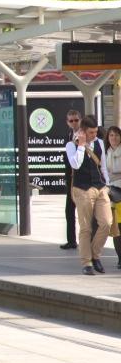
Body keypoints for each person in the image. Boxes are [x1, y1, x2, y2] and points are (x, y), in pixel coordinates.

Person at [67, 116, 112, 275]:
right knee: (85, 227)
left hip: (100, 187)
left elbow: (104, 166)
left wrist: (107, 184)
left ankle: (95, 254)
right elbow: (75, 164)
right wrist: (81, 145)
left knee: (107, 222)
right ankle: (87, 262)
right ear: (83, 131)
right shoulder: (71, 145)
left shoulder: (99, 142)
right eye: (91, 132)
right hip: (82, 189)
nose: (94, 135)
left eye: (95, 132)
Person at [61, 109, 82, 250]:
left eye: (76, 120)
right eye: (71, 120)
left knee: (85, 212)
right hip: (71, 178)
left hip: (82, 178)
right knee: (69, 210)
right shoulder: (68, 135)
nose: (74, 123)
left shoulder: (83, 135)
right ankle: (71, 240)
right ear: (67, 122)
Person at [103, 126, 121, 270]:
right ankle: (120, 258)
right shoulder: (106, 152)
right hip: (112, 192)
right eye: (111, 136)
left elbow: (112, 171)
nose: (114, 138)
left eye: (116, 135)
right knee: (115, 228)